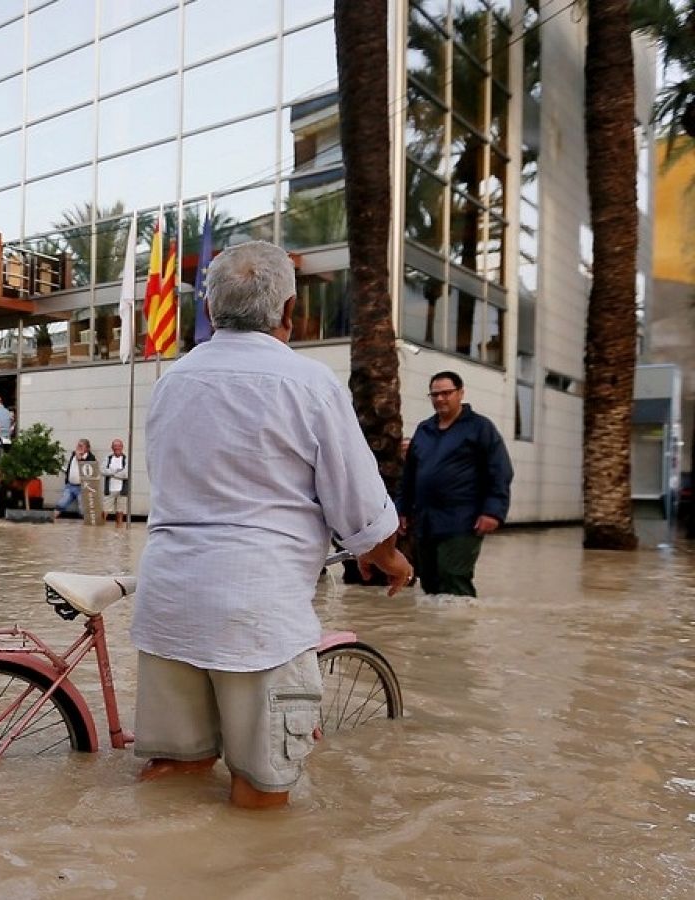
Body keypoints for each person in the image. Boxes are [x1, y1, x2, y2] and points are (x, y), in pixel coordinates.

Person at [132, 241, 412, 810]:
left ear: (210, 312)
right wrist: (386, 554)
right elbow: (359, 500)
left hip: (168, 601)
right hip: (256, 615)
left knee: (176, 773)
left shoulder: (172, 382)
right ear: (289, 311)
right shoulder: (309, 383)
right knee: (260, 791)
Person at [397, 371, 513, 597]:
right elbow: (409, 475)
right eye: (435, 394)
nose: (440, 399)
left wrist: (493, 512)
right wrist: (402, 510)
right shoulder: (424, 429)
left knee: (453, 576)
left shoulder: (480, 428)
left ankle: (459, 629)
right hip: (425, 522)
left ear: (461, 393)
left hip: (463, 521)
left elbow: (500, 470)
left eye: (446, 393)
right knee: (429, 582)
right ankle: (434, 631)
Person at [52, 438, 96, 521]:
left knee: (83, 509)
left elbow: (87, 469)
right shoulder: (73, 454)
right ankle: (50, 520)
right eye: (78, 445)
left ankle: (87, 529)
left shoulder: (91, 457)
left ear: (87, 448)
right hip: (70, 485)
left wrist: (79, 457)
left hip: (82, 487)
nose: (78, 447)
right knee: (61, 504)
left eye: (81, 446)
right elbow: (70, 468)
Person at [103, 438, 130, 526]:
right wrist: (117, 471)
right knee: (104, 511)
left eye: (119, 446)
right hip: (109, 489)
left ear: (122, 447)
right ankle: (100, 529)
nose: (117, 448)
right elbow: (103, 470)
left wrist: (112, 473)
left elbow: (126, 474)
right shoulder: (108, 458)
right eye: (115, 446)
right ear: (112, 447)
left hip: (122, 490)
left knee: (120, 512)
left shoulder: (126, 459)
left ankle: (119, 530)